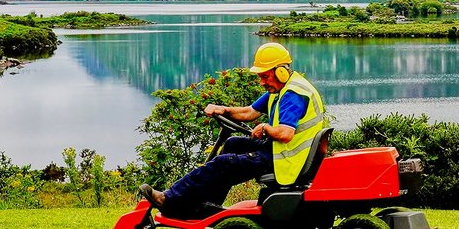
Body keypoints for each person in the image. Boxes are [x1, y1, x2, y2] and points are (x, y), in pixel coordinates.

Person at [140, 42, 331, 218]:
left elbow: (285, 134)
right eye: (260, 77)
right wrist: (223, 109)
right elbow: (249, 112)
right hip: (281, 152)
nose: (262, 82)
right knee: (233, 143)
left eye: (265, 76)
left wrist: (265, 127)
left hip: (287, 160)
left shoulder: (293, 94)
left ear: (280, 71)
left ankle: (170, 199)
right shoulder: (281, 89)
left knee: (224, 163)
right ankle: (207, 205)